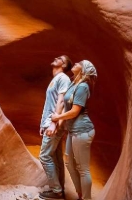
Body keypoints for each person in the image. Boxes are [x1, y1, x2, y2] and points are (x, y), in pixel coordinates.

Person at [51, 60, 97, 200]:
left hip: (82, 130)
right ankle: (80, 193)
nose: (76, 63)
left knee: (83, 169)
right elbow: (66, 105)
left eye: (80, 63)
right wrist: (58, 122)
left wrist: (57, 117)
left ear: (83, 70)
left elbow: (75, 112)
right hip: (73, 131)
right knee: (69, 163)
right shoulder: (73, 83)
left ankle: (86, 198)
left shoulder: (82, 86)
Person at [38, 55, 73, 200]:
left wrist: (54, 123)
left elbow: (61, 101)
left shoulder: (63, 78)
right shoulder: (56, 79)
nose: (55, 58)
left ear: (64, 65)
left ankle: (56, 191)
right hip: (51, 121)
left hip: (55, 123)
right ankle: (60, 190)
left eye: (60, 58)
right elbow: (49, 104)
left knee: (44, 156)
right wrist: (43, 123)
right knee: (55, 157)